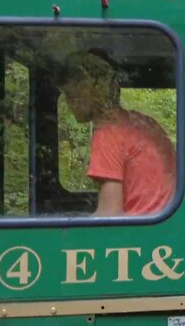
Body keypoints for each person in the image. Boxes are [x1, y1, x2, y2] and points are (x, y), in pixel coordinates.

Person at [57, 52, 176, 217]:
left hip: (137, 235)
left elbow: (108, 215)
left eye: (71, 94)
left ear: (88, 91)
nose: (69, 103)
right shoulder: (143, 123)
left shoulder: (108, 136)